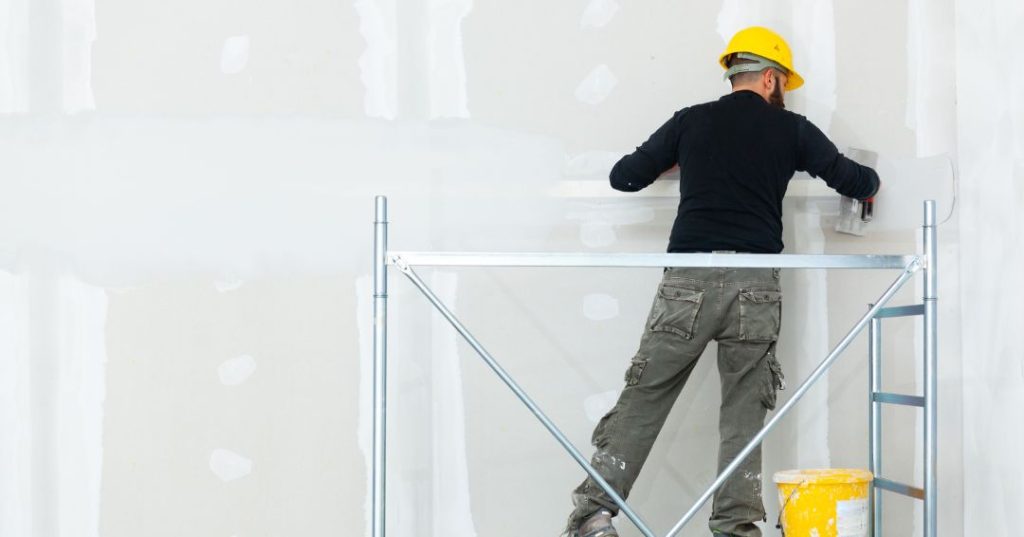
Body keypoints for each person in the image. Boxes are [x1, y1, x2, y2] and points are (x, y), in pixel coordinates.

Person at [564, 26, 880, 537]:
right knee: (743, 411)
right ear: (772, 79)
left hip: (687, 284)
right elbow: (853, 179)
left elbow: (624, 176)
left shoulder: (691, 122)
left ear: (735, 74)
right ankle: (735, 526)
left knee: (645, 400)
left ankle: (593, 517)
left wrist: (679, 157)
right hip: (755, 288)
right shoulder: (793, 130)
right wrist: (875, 184)